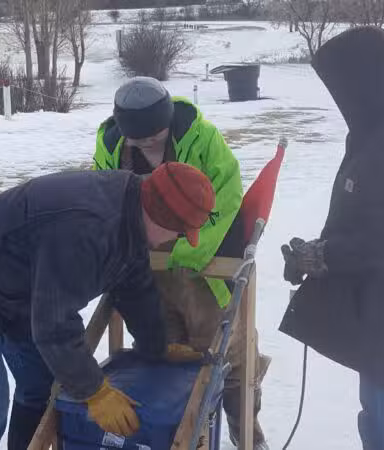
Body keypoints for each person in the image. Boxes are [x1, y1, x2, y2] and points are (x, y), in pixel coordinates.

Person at [0, 162, 216, 450]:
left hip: (19, 287)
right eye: (178, 233)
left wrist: (157, 345)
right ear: (160, 217)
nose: (175, 240)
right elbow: (54, 323)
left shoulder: (131, 209)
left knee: (39, 385)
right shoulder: (87, 228)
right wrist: (95, 391)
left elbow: (134, 286)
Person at [279, 27, 384, 450]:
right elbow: (368, 218)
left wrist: (325, 257)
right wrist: (313, 254)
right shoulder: (381, 131)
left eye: (342, 86)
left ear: (366, 82)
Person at [92, 76, 271, 448]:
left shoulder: (202, 138)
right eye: (139, 140)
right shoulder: (110, 145)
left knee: (224, 357)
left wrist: (186, 253)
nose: (148, 144)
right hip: (149, 272)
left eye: (156, 135)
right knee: (167, 358)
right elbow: (105, 197)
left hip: (206, 267)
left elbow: (225, 197)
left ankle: (248, 437)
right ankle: (181, 438)